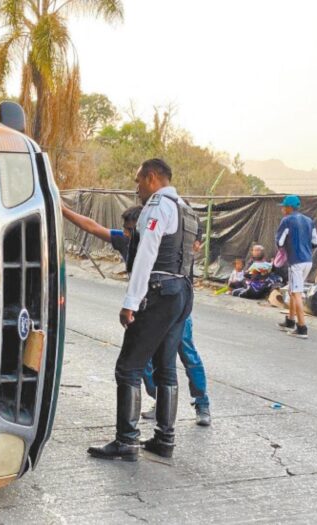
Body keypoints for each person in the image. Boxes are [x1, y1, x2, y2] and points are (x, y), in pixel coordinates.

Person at [86, 158, 198, 461]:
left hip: (158, 290)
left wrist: (130, 302)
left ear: (151, 177)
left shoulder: (158, 204)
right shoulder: (186, 208)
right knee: (166, 368)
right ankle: (165, 438)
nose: (137, 189)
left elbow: (147, 253)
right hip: (182, 291)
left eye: (138, 181)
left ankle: (127, 440)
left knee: (129, 367)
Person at [61, 203, 211, 427]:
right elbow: (91, 227)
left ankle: (202, 404)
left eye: (131, 229)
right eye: (125, 228)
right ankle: (161, 404)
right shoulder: (125, 241)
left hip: (171, 307)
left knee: (185, 354)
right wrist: (62, 209)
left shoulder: (163, 242)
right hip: (147, 308)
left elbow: (193, 228)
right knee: (147, 363)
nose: (126, 233)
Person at [275, 195, 317, 339]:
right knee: (293, 289)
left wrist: (287, 249)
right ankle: (290, 320)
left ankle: (302, 328)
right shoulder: (309, 221)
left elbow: (280, 242)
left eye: (283, 207)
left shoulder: (287, 220)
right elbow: (316, 242)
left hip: (296, 261)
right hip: (308, 260)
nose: (282, 209)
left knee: (296, 293)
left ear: (289, 208)